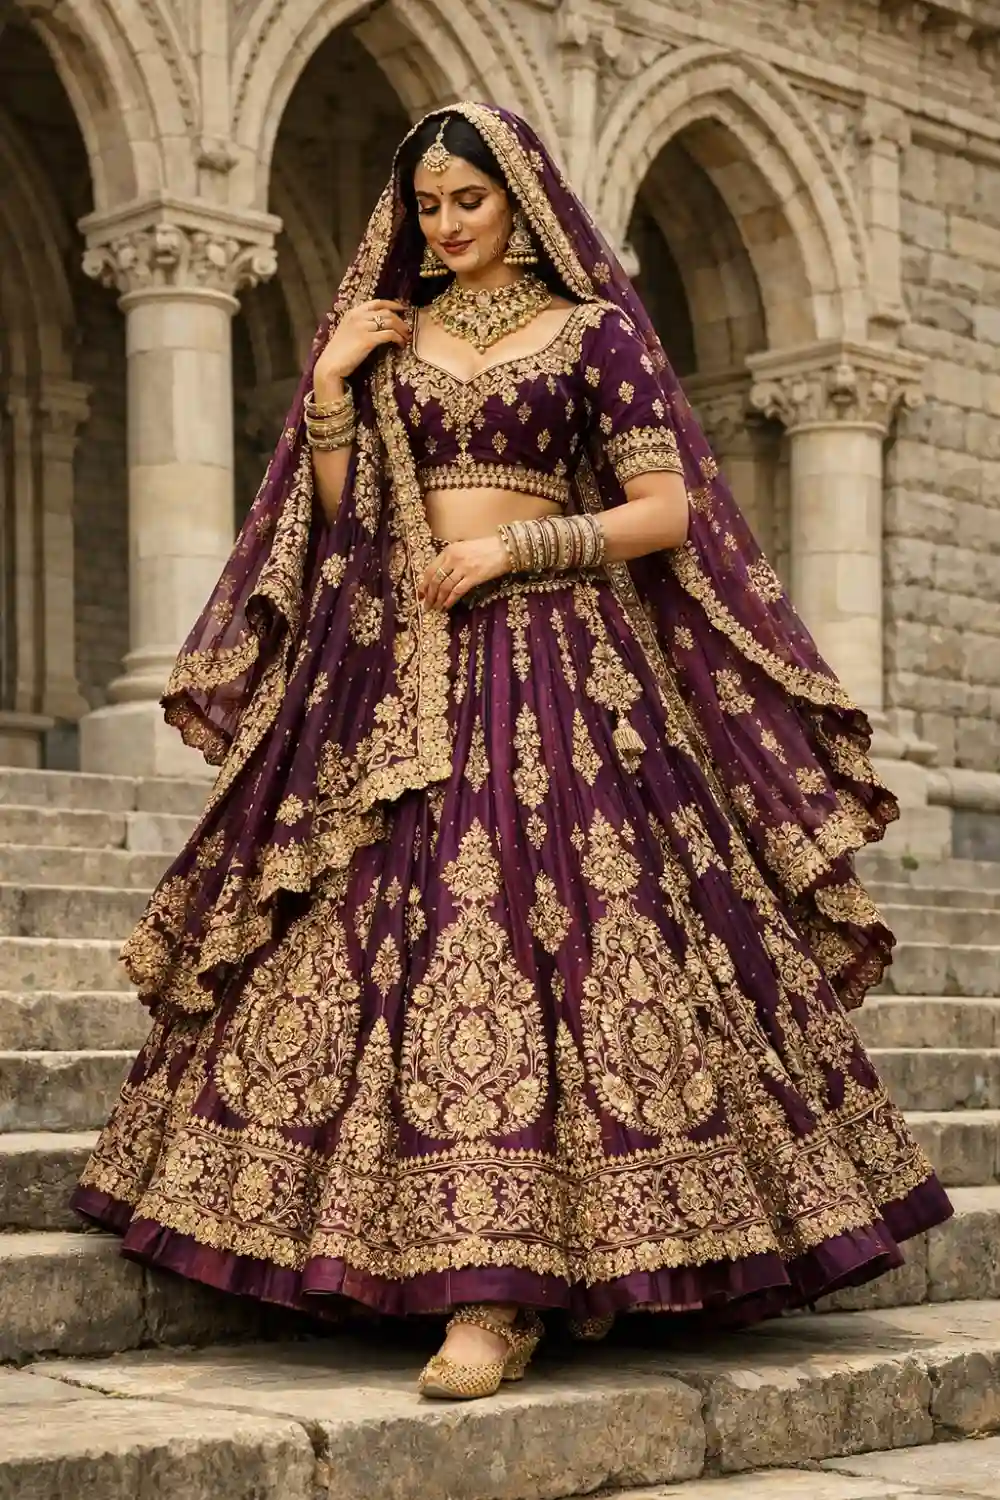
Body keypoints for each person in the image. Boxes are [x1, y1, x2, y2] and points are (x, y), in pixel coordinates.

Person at [72, 102, 951, 1401]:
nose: (445, 226)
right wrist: (326, 395)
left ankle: (507, 1293)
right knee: (394, 930)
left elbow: (663, 512)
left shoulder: (597, 332)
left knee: (564, 933)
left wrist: (516, 548)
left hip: (563, 663)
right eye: (425, 207)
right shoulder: (394, 336)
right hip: (406, 674)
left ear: (520, 200)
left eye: (466, 204)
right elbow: (347, 527)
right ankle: (391, 1249)